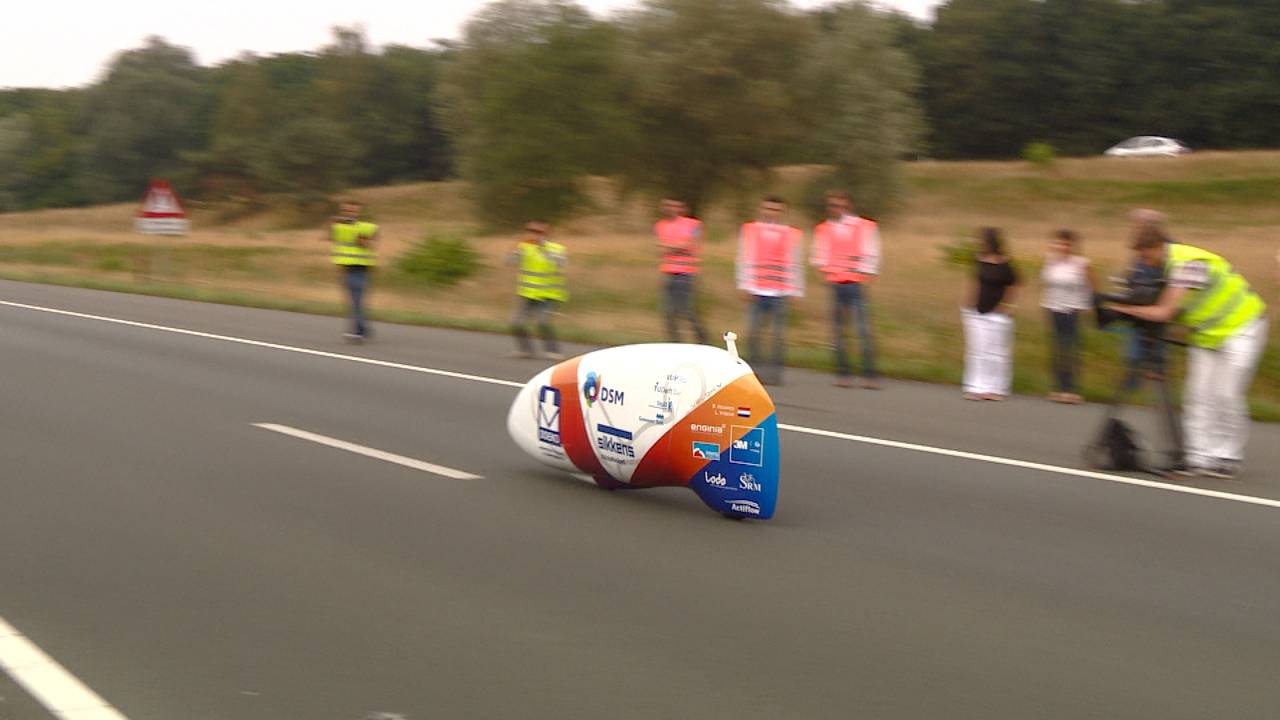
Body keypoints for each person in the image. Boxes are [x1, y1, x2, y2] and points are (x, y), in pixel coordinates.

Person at [1109, 226, 1268, 479]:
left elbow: (1165, 312)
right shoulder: (1167, 268)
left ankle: (1227, 456)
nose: (1142, 261)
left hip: (1243, 328)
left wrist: (1122, 310)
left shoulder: (1192, 264)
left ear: (1157, 247)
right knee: (1197, 395)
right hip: (1207, 335)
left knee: (1226, 394)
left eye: (1144, 255)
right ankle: (1198, 456)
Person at [811, 191, 881, 389]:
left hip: (856, 283)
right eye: (832, 205)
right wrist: (826, 276)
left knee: (863, 330)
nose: (835, 208)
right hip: (836, 284)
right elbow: (819, 255)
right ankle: (843, 374)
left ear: (847, 205)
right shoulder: (823, 228)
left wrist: (867, 277)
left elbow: (872, 253)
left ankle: (870, 374)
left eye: (839, 204)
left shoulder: (864, 226)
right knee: (839, 332)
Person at [736, 195, 804, 385]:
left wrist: (796, 290)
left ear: (782, 212)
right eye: (768, 208)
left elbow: (795, 262)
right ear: (761, 209)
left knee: (777, 336)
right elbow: (744, 257)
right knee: (753, 334)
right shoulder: (750, 229)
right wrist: (744, 285)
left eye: (776, 209)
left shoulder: (791, 233)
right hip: (757, 289)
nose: (771, 213)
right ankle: (752, 374)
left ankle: (774, 374)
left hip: (780, 292)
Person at [962, 228, 1020, 401]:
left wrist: (1007, 305)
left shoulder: (1005, 263)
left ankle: (997, 388)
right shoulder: (979, 260)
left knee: (998, 352)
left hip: (998, 313)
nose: (980, 243)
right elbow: (976, 282)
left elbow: (1015, 285)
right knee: (977, 350)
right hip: (977, 310)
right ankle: (976, 386)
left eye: (983, 240)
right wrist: (969, 300)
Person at [1039, 229, 1095, 403]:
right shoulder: (1050, 262)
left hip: (1073, 309)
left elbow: (1091, 286)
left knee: (1072, 349)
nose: (1062, 246)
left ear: (1072, 246)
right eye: (1059, 243)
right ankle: (1057, 387)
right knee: (1057, 348)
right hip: (1053, 307)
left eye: (1066, 243)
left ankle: (1072, 389)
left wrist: (1089, 306)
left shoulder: (1081, 263)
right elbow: (1043, 282)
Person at [323, 200, 379, 343]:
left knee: (356, 301)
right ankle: (363, 328)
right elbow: (329, 237)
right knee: (354, 302)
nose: (349, 214)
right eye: (346, 211)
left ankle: (359, 331)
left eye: (352, 211)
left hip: (360, 268)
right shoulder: (339, 227)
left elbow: (371, 246)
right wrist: (331, 223)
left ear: (358, 212)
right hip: (346, 270)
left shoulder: (364, 227)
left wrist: (363, 240)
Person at [510, 220, 567, 360]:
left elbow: (560, 263)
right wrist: (516, 247)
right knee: (516, 323)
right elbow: (510, 261)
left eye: (538, 232)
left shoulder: (557, 249)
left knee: (542, 322)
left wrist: (542, 247)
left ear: (546, 233)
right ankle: (525, 350)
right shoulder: (524, 247)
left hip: (548, 295)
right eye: (530, 230)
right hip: (527, 293)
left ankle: (553, 351)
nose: (533, 234)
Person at [655, 196, 709, 344]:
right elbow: (661, 247)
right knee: (668, 313)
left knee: (687, 311)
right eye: (668, 206)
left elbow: (690, 246)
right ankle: (675, 343)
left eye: (675, 206)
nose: (671, 209)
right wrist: (678, 246)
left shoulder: (693, 224)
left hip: (686, 273)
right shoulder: (660, 225)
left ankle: (703, 341)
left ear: (682, 208)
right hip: (668, 272)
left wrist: (672, 246)